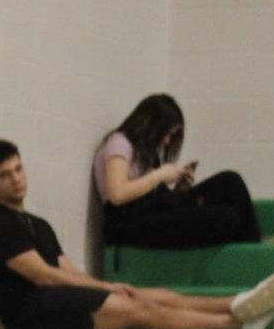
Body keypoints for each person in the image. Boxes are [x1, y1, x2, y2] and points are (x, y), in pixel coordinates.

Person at [0, 140, 274, 329]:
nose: (16, 179)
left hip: (59, 300)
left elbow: (67, 270)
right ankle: (236, 326)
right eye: (5, 175)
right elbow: (42, 276)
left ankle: (237, 302)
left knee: (139, 293)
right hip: (35, 316)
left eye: (18, 169)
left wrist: (105, 286)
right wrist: (104, 291)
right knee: (139, 310)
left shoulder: (37, 224)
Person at [95, 92, 261, 249]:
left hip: (152, 213)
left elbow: (150, 197)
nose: (167, 141)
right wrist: (158, 176)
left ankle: (257, 249)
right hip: (129, 225)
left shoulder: (144, 151)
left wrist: (180, 189)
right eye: (166, 134)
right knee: (227, 218)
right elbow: (117, 194)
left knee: (230, 181)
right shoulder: (119, 143)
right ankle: (252, 256)